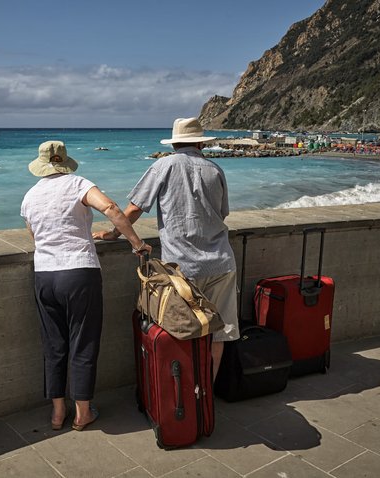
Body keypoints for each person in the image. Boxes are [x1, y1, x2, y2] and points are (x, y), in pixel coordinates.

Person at [94, 117, 239, 381]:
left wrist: (114, 233)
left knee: (182, 331)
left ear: (174, 143)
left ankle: (185, 396)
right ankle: (207, 394)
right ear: (200, 143)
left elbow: (135, 207)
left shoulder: (164, 165)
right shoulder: (215, 169)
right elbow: (222, 214)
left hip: (182, 268)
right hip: (221, 262)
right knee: (220, 332)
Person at [21, 140, 152, 432]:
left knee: (54, 345)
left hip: (45, 275)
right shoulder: (78, 184)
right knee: (83, 341)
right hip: (79, 272)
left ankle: (57, 413)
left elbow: (35, 237)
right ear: (65, 162)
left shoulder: (29, 197)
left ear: (41, 165)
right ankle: (82, 413)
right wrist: (136, 243)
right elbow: (111, 207)